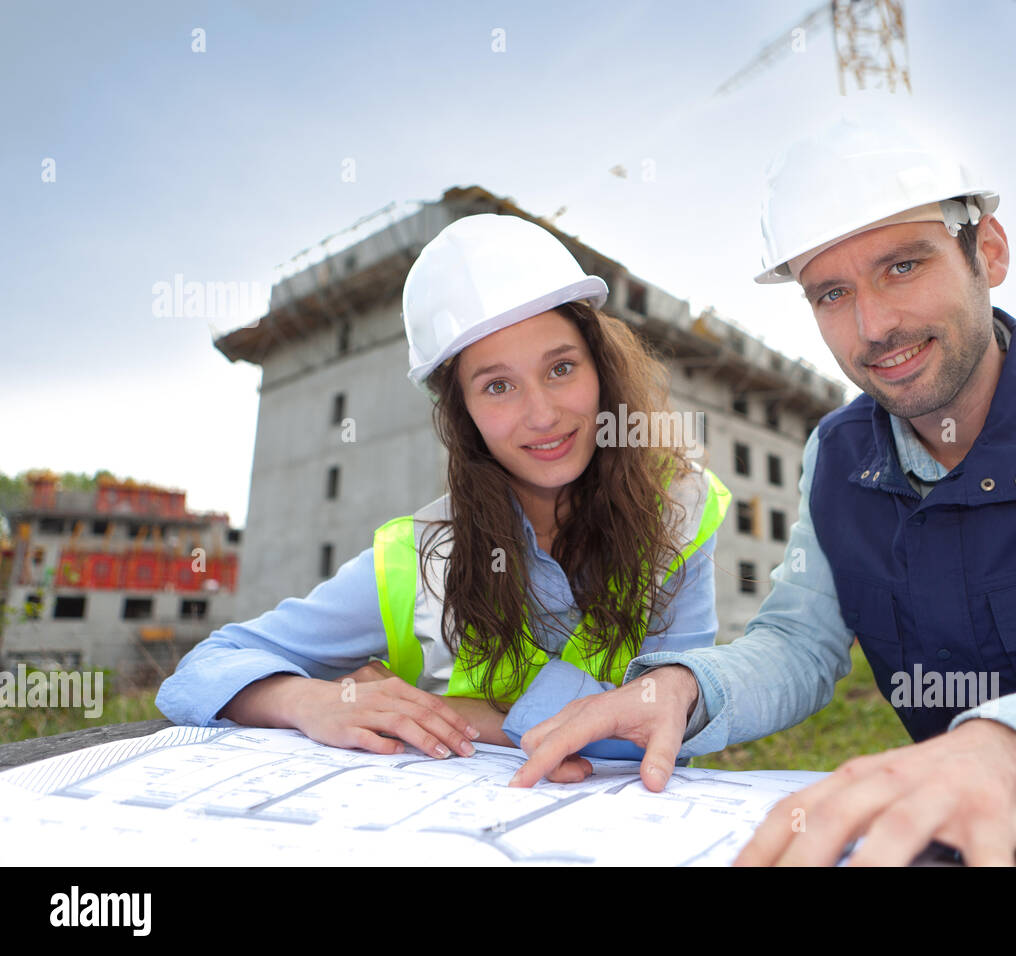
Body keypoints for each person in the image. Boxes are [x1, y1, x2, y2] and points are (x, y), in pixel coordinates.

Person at [509, 116, 1016, 864]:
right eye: (831, 293)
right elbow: (799, 642)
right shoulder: (837, 453)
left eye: (904, 265)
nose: (874, 325)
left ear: (987, 252)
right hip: (986, 842)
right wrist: (685, 687)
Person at [156, 213, 731, 771]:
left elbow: (673, 725)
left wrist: (461, 714)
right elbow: (202, 671)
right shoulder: (417, 560)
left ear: (599, 369)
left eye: (560, 369)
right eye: (498, 385)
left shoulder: (676, 517)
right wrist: (313, 701)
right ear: (464, 414)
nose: (542, 415)